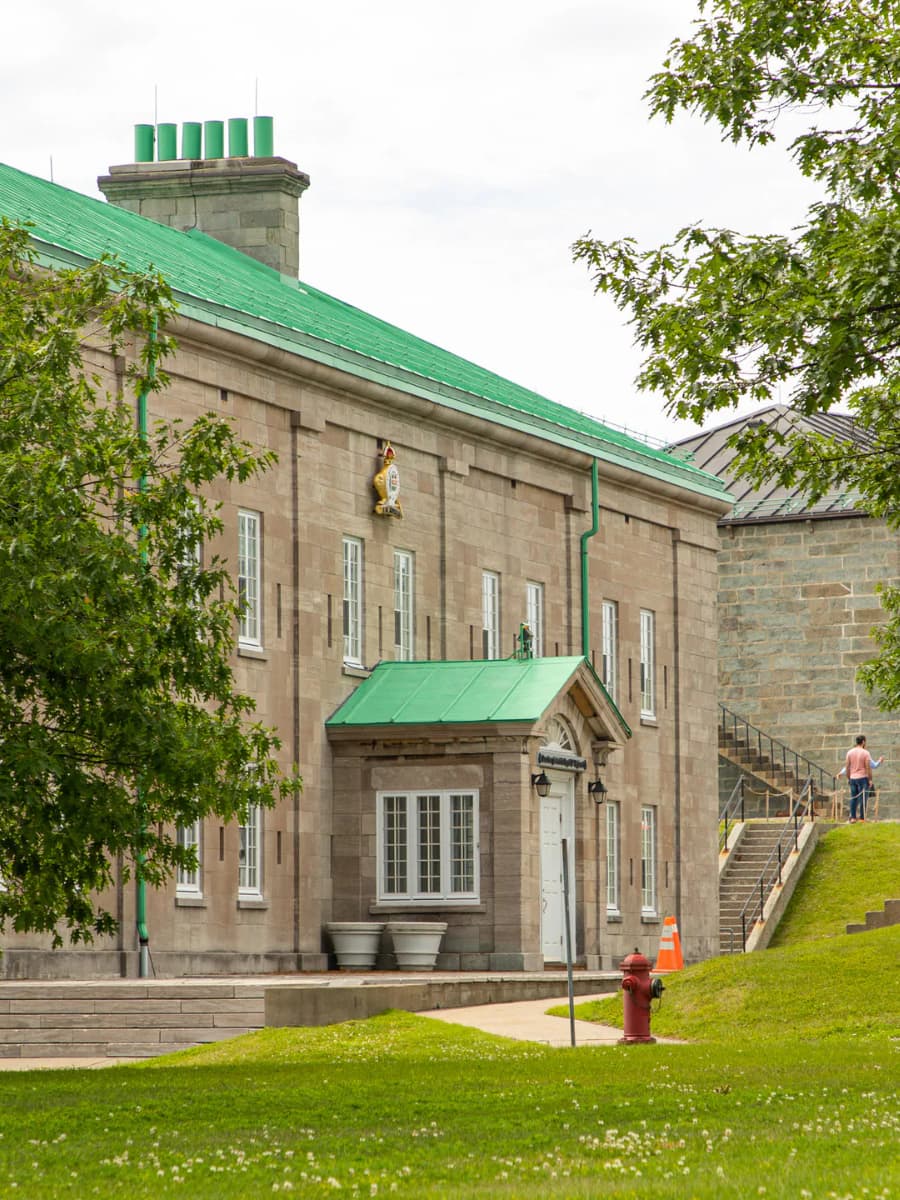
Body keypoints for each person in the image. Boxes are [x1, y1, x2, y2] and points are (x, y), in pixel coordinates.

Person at [837, 735, 884, 822]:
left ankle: (853, 818)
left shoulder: (849, 752)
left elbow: (847, 766)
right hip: (863, 778)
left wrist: (846, 776)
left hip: (853, 778)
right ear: (863, 742)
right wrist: (870, 779)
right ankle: (862, 818)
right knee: (863, 799)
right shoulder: (866, 753)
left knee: (853, 798)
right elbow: (871, 767)